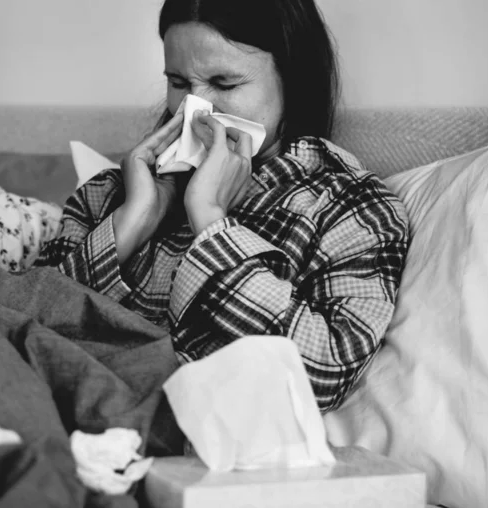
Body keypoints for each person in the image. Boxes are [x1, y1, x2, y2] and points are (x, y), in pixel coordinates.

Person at [35, 0, 409, 413]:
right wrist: (131, 223)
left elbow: (324, 374)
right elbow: (23, 320)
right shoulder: (107, 193)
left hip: (155, 435)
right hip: (34, 396)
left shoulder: (350, 208)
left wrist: (211, 222)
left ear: (293, 79)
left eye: (225, 83)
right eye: (178, 82)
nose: (195, 110)